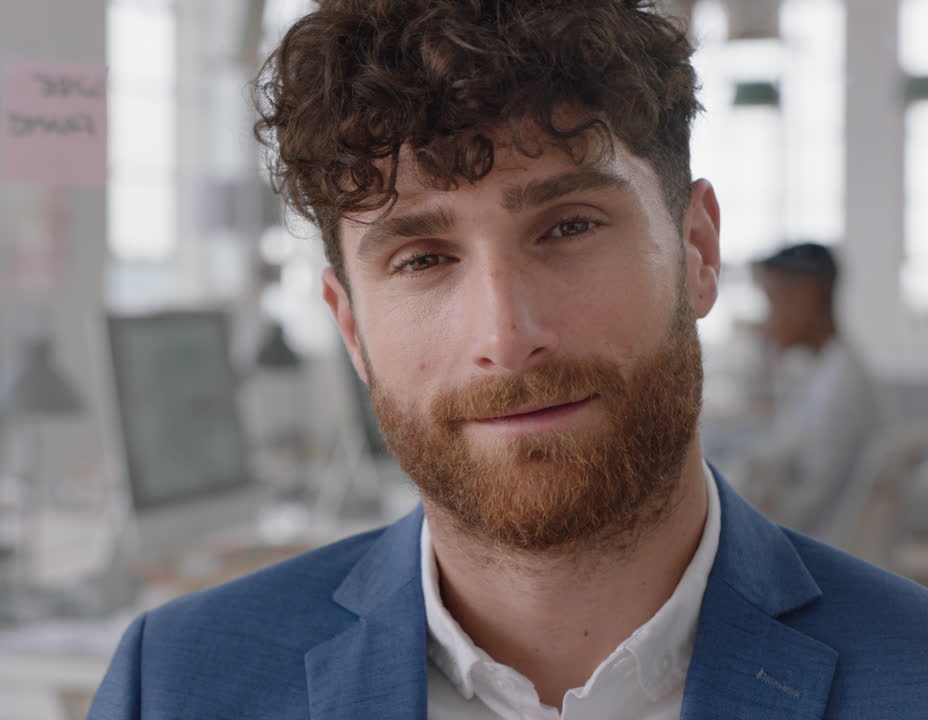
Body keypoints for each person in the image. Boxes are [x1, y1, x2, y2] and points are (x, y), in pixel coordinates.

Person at [90, 2, 928, 717]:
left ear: (698, 251)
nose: (506, 334)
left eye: (568, 227)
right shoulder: (172, 685)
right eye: (422, 259)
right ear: (351, 328)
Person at [739, 242, 884, 547]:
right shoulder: (826, 374)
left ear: (806, 295)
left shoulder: (842, 389)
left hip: (818, 552)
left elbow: (804, 507)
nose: (767, 323)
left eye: (773, 302)